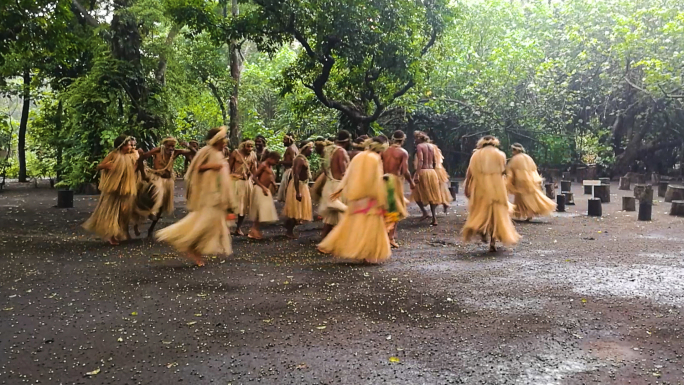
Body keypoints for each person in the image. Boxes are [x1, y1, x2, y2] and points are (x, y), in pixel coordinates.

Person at [156, 127, 236, 266]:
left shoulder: (220, 153)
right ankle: (184, 242)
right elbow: (195, 168)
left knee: (211, 227)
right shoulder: (206, 151)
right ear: (217, 140)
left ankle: (194, 249)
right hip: (207, 195)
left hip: (217, 196)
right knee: (202, 225)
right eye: (223, 140)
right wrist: (212, 166)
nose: (225, 142)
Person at [317, 137, 391, 264]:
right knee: (370, 227)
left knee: (358, 226)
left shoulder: (359, 156)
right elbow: (376, 179)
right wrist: (383, 197)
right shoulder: (375, 159)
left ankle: (362, 254)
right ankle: (367, 256)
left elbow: (348, 174)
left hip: (357, 197)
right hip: (370, 197)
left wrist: (340, 189)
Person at [462, 135, 520, 252]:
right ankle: (493, 241)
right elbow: (503, 172)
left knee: (480, 211)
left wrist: (467, 187)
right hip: (497, 187)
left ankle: (482, 230)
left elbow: (470, 173)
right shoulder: (501, 154)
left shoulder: (476, 155)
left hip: (480, 187)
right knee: (496, 215)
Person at [135, 137, 196, 237]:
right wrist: (143, 175)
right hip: (156, 178)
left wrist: (188, 146)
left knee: (162, 206)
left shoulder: (176, 152)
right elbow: (141, 159)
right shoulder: (157, 150)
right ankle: (149, 214)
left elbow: (195, 154)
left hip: (168, 181)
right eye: (169, 146)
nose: (171, 148)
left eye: (173, 146)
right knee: (158, 192)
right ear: (164, 145)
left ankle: (151, 228)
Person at [83, 135, 138, 245]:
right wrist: (105, 166)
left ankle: (121, 232)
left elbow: (137, 167)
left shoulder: (133, 155)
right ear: (121, 146)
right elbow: (98, 166)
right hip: (113, 189)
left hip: (127, 187)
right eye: (128, 145)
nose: (130, 147)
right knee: (112, 212)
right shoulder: (113, 155)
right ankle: (111, 236)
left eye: (131, 145)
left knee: (124, 212)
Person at [382, 130, 415, 248]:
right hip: (394, 180)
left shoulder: (384, 151)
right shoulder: (403, 152)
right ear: (403, 139)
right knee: (395, 208)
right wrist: (411, 182)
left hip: (383, 179)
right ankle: (390, 237)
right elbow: (405, 170)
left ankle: (386, 234)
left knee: (384, 207)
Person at [506, 143, 556, 221]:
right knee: (530, 198)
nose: (512, 152)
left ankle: (527, 214)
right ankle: (528, 214)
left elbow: (510, 174)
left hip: (521, 183)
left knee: (524, 200)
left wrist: (508, 184)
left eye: (513, 150)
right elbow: (534, 170)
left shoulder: (514, 160)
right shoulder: (528, 158)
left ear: (516, 150)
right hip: (531, 181)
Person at [318, 130, 351, 237]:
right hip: (339, 186)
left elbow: (324, 168)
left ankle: (325, 237)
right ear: (347, 141)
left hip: (329, 184)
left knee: (331, 216)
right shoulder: (341, 151)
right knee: (344, 213)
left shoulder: (327, 150)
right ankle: (339, 240)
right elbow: (343, 172)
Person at [282, 140, 314, 239]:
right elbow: (296, 175)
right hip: (298, 186)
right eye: (310, 148)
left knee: (298, 211)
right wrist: (298, 192)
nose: (311, 150)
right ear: (305, 148)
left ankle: (288, 228)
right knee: (295, 211)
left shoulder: (303, 159)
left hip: (302, 185)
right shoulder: (299, 159)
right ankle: (289, 231)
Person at [410, 131, 442, 226]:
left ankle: (424, 212)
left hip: (423, 171)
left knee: (416, 193)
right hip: (432, 172)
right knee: (432, 195)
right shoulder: (432, 147)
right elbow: (436, 161)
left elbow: (421, 161)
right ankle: (434, 217)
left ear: (420, 138)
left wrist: (417, 174)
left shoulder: (420, 146)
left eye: (416, 138)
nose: (415, 141)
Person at [248, 151, 281, 239]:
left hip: (266, 189)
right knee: (259, 210)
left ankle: (255, 229)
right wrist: (262, 187)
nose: (276, 163)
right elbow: (254, 177)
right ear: (270, 158)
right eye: (275, 161)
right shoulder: (263, 165)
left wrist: (273, 183)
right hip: (260, 189)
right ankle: (253, 230)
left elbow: (269, 176)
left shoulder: (269, 166)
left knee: (262, 210)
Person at [229, 139, 257, 236]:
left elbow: (254, 170)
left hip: (246, 183)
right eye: (248, 146)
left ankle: (238, 228)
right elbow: (229, 168)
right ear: (243, 146)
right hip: (235, 182)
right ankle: (227, 227)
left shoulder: (253, 155)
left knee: (243, 207)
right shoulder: (235, 153)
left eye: (251, 147)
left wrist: (254, 180)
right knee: (232, 206)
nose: (249, 149)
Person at [431, 141, 453, 213]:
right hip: (440, 169)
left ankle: (440, 202)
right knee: (442, 187)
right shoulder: (437, 150)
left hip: (435, 169)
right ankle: (444, 202)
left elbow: (434, 162)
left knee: (437, 188)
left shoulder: (430, 149)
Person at [277, 133, 299, 202]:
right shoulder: (294, 147)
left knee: (288, 193)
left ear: (290, 140)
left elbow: (294, 162)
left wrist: (281, 162)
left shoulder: (291, 148)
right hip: (289, 171)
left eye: (285, 139)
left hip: (289, 172)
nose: (283, 141)